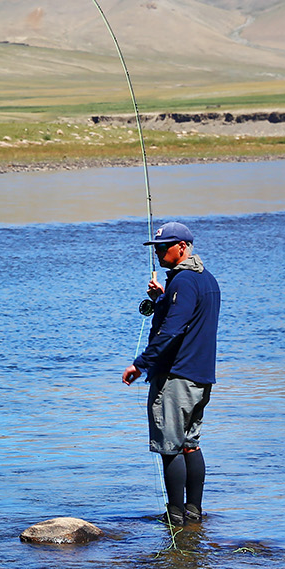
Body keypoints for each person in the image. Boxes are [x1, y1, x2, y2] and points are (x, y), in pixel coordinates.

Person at [121, 222, 221, 526]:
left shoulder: (184, 283)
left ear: (183, 247)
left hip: (177, 376)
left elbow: (172, 331)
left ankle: (175, 518)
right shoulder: (206, 280)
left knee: (171, 447)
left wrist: (141, 364)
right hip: (201, 377)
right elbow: (187, 319)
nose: (159, 253)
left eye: (164, 247)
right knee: (191, 443)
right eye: (157, 248)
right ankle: (194, 514)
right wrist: (164, 298)